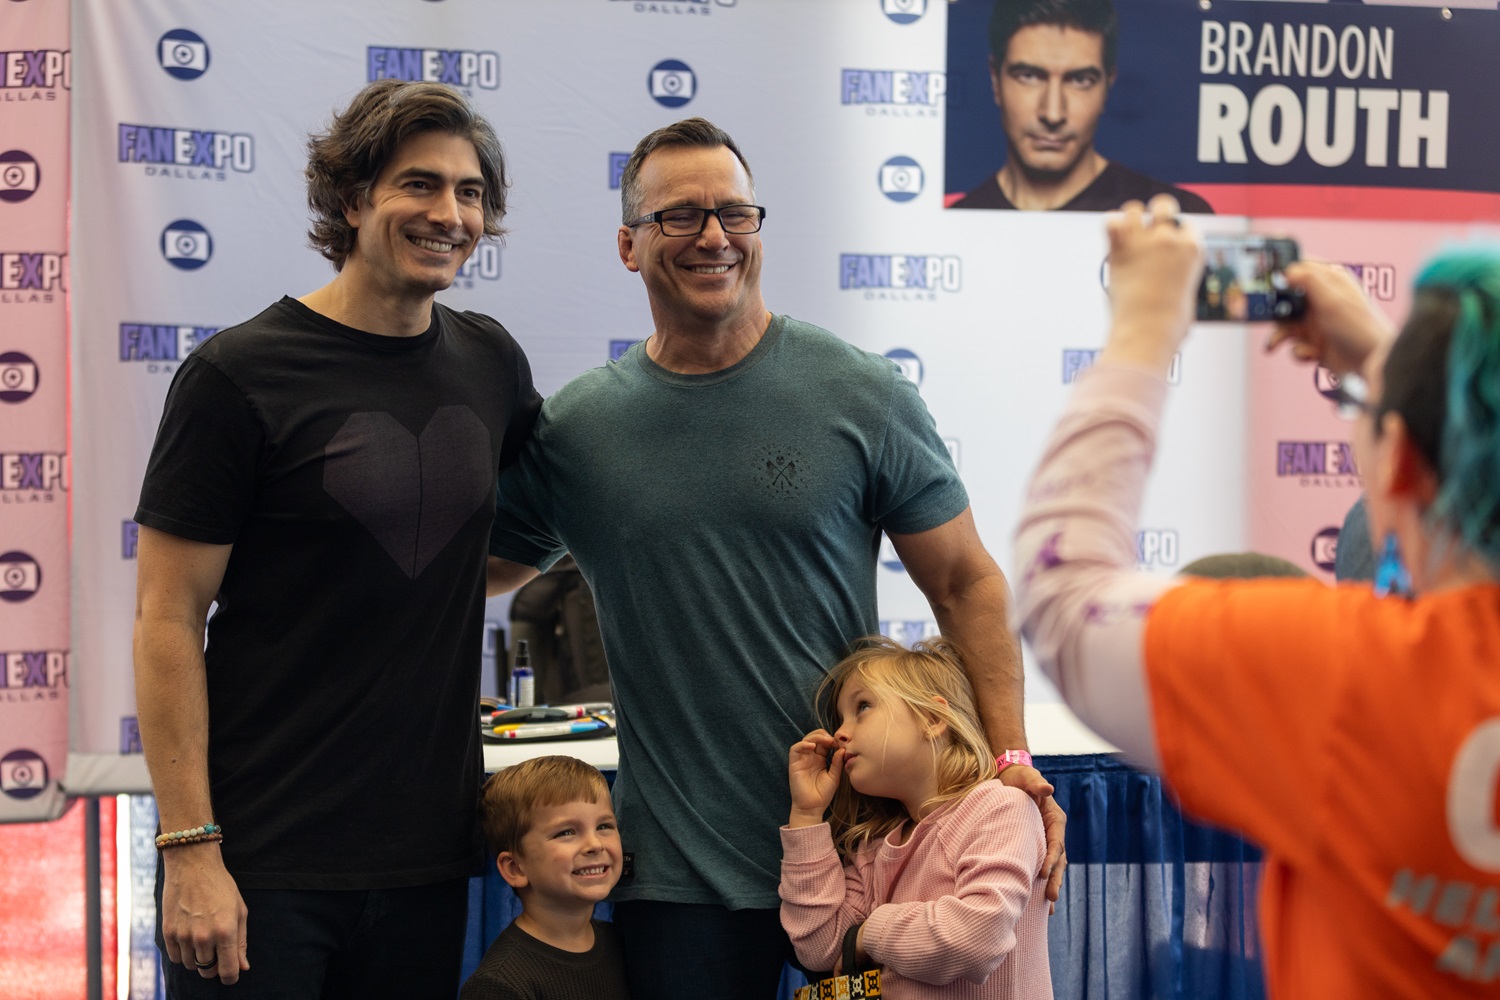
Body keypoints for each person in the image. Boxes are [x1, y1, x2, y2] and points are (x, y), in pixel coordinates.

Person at [486, 117, 1066, 1000]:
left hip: (867, 854)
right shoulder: (577, 432)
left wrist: (1013, 760)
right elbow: (471, 575)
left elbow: (964, 581)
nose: (714, 236)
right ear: (627, 245)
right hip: (682, 878)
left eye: (734, 212)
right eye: (680, 216)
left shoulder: (858, 390)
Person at [1013, 194, 1500, 995]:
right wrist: (1388, 367)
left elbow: (1063, 597)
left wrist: (1141, 334)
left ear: (1401, 461)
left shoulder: (1355, 678)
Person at [132, 79, 540, 997]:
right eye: (418, 185)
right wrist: (191, 850)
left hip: (428, 856)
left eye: (470, 193)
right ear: (352, 201)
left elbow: (496, 539)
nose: (450, 214)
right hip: (258, 857)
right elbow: (166, 617)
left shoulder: (489, 362)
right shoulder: (238, 375)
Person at [780, 636, 1052, 1000]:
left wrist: (869, 934)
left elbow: (977, 937)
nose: (840, 733)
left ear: (932, 718)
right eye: (840, 718)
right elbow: (818, 949)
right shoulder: (873, 849)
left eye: (862, 707)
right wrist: (807, 814)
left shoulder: (1001, 807)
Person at [949, 0, 1213, 213]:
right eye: (1029, 76)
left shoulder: (1178, 219)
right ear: (995, 80)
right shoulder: (955, 225)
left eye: (1080, 81)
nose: (1053, 113)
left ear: (1108, 86)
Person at [462, 756, 630, 1000]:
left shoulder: (620, 943)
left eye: (604, 826)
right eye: (566, 832)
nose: (594, 844)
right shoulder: (498, 985)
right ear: (515, 868)